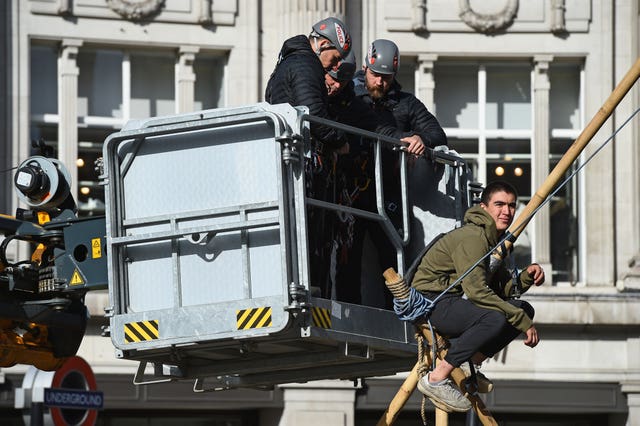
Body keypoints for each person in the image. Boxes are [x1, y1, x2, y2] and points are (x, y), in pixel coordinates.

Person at [411, 181, 545, 412]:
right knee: (495, 318)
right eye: (499, 204)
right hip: (431, 302)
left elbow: (502, 291)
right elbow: (477, 293)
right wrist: (523, 323)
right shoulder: (474, 237)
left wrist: (526, 277)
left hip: (449, 302)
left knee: (523, 308)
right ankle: (436, 378)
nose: (507, 211)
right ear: (484, 207)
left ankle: (469, 361)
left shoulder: (491, 239)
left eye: (512, 206)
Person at [265, 16, 352, 151]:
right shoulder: (305, 65)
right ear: (323, 45)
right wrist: (340, 141)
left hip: (287, 148)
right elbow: (313, 112)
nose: (337, 66)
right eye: (335, 58)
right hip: (296, 152)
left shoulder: (289, 61)